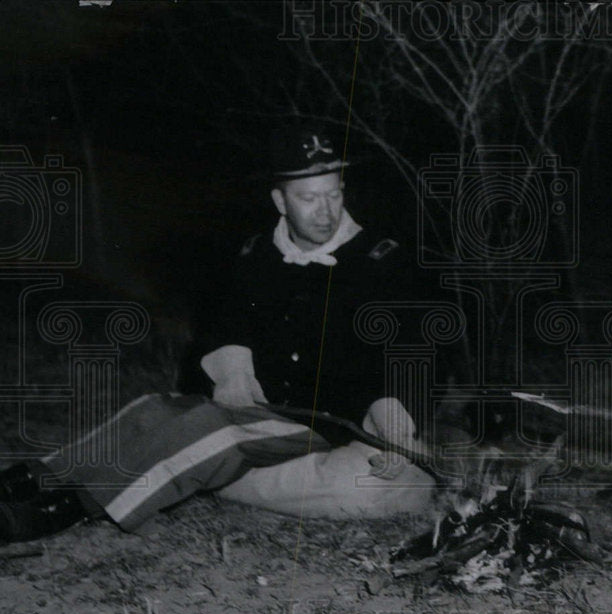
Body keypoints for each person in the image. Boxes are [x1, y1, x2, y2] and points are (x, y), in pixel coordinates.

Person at [0, 123, 435, 543]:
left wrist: (394, 430)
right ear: (281, 202)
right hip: (255, 408)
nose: (326, 211)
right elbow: (227, 324)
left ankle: (71, 505)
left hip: (319, 424)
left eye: (334, 194)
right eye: (309, 198)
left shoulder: (379, 263)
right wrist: (233, 375)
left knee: (213, 430)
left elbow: (404, 350)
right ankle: (34, 477)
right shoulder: (255, 254)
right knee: (154, 409)